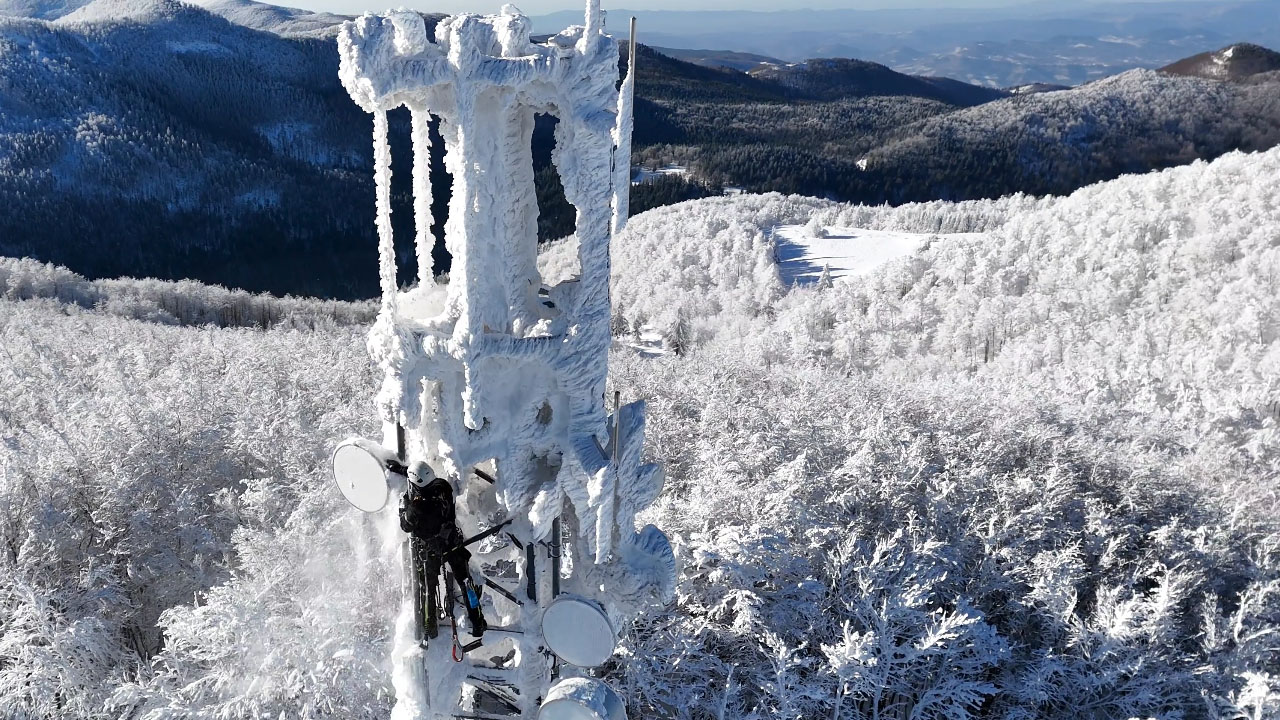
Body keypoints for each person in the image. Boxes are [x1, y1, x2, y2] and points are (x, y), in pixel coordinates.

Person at [400, 461, 487, 639]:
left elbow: (406, 526)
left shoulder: (415, 509)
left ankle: (430, 626)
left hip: (430, 550)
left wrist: (404, 507)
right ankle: (478, 622)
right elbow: (420, 479)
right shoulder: (443, 488)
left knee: (428, 588)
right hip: (452, 544)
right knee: (465, 582)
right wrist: (402, 469)